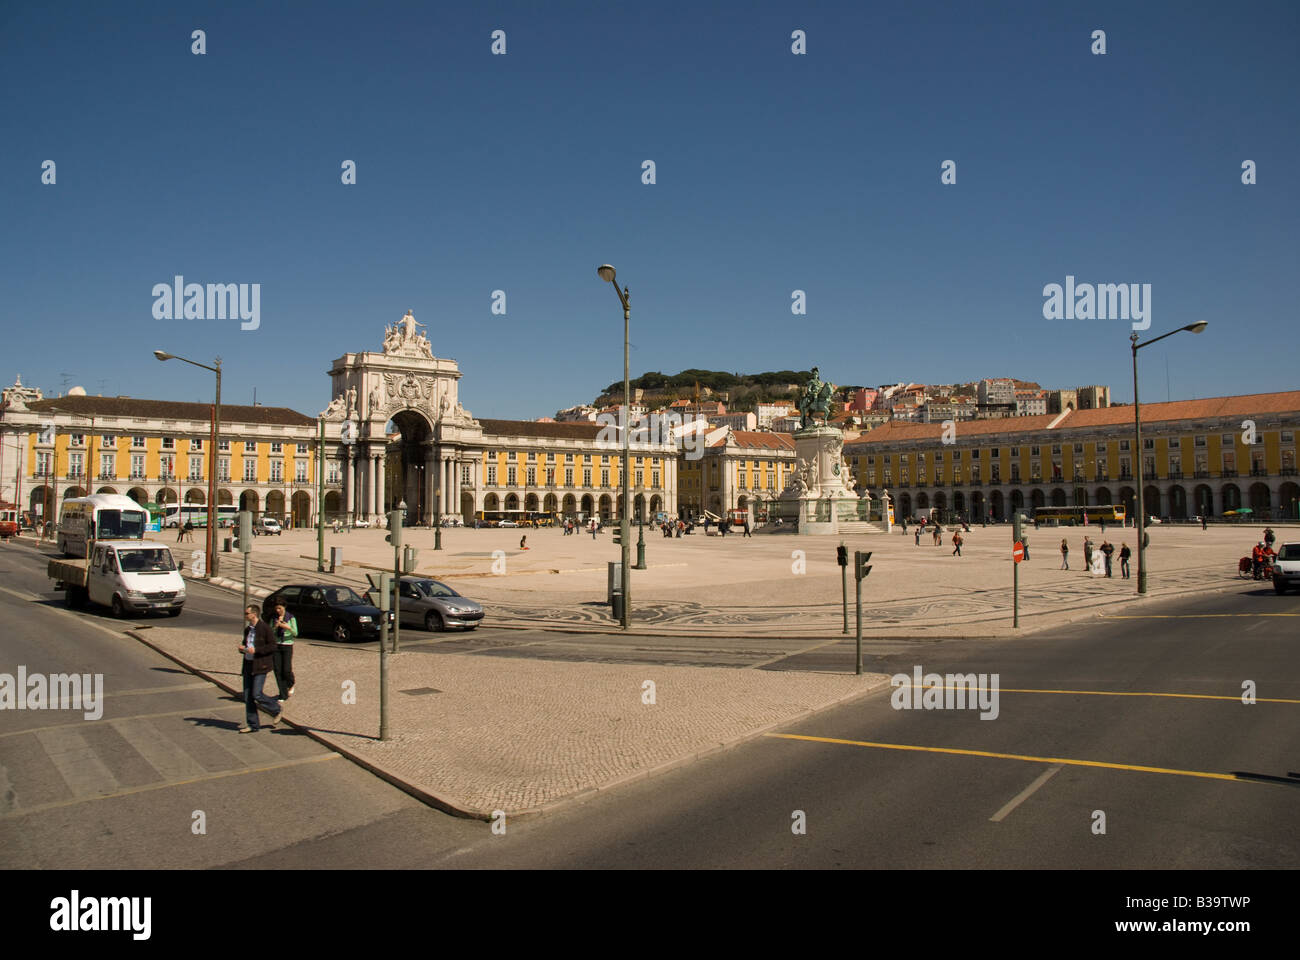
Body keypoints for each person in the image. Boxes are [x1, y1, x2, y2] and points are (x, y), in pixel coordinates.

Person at [239, 605, 283, 733]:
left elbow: (272, 646)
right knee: (248, 696)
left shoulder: (264, 628)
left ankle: (276, 709)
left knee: (256, 693)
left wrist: (256, 650)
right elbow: (245, 643)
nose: (245, 615)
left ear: (254, 614)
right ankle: (253, 724)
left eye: (246, 613)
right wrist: (242, 648)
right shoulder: (248, 630)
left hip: (260, 665)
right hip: (248, 664)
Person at [270, 601, 298, 699]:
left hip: (287, 645)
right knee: (277, 670)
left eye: (280, 608)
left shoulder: (291, 617)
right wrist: (275, 627)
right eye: (276, 609)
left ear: (284, 607)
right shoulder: (274, 618)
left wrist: (287, 627)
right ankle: (283, 694)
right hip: (276, 645)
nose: (278, 611)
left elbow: (295, 633)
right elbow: (270, 632)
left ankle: (291, 683)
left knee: (286, 669)